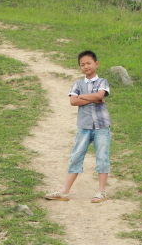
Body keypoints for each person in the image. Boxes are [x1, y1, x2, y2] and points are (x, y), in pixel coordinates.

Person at [44, 50, 112, 203]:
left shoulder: (102, 82)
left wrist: (83, 97)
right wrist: (92, 98)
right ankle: (64, 192)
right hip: (84, 125)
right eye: (82, 64)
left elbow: (99, 95)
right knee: (76, 156)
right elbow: (73, 101)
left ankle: (101, 192)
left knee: (102, 157)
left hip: (102, 126)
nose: (86, 66)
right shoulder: (78, 83)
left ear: (96, 64)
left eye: (89, 63)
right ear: (80, 67)